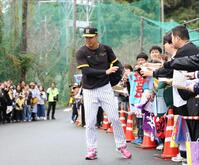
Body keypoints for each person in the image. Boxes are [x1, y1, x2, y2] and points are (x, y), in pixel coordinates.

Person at [76, 27, 131, 160]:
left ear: (97, 36)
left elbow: (116, 63)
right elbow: (86, 72)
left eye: (90, 37)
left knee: (115, 118)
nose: (88, 40)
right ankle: (91, 149)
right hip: (89, 91)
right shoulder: (81, 52)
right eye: (86, 37)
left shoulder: (106, 49)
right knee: (90, 122)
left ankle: (121, 146)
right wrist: (105, 72)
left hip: (105, 89)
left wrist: (123, 71)